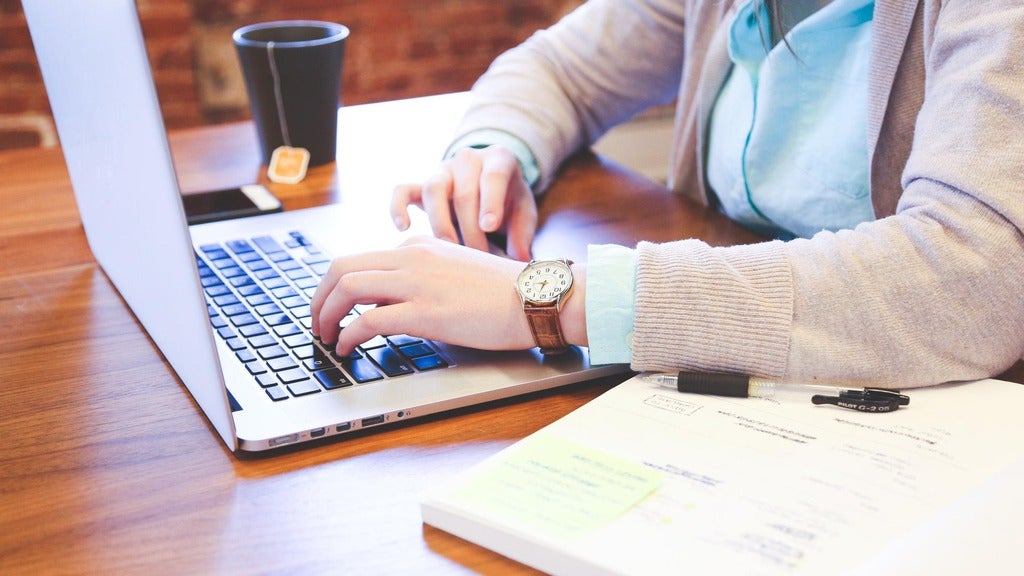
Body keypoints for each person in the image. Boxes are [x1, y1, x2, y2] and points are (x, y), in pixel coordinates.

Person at [311, 0, 1024, 388]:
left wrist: (546, 300)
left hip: (932, 414)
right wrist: (493, 150)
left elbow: (973, 277)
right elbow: (560, 66)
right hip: (743, 382)